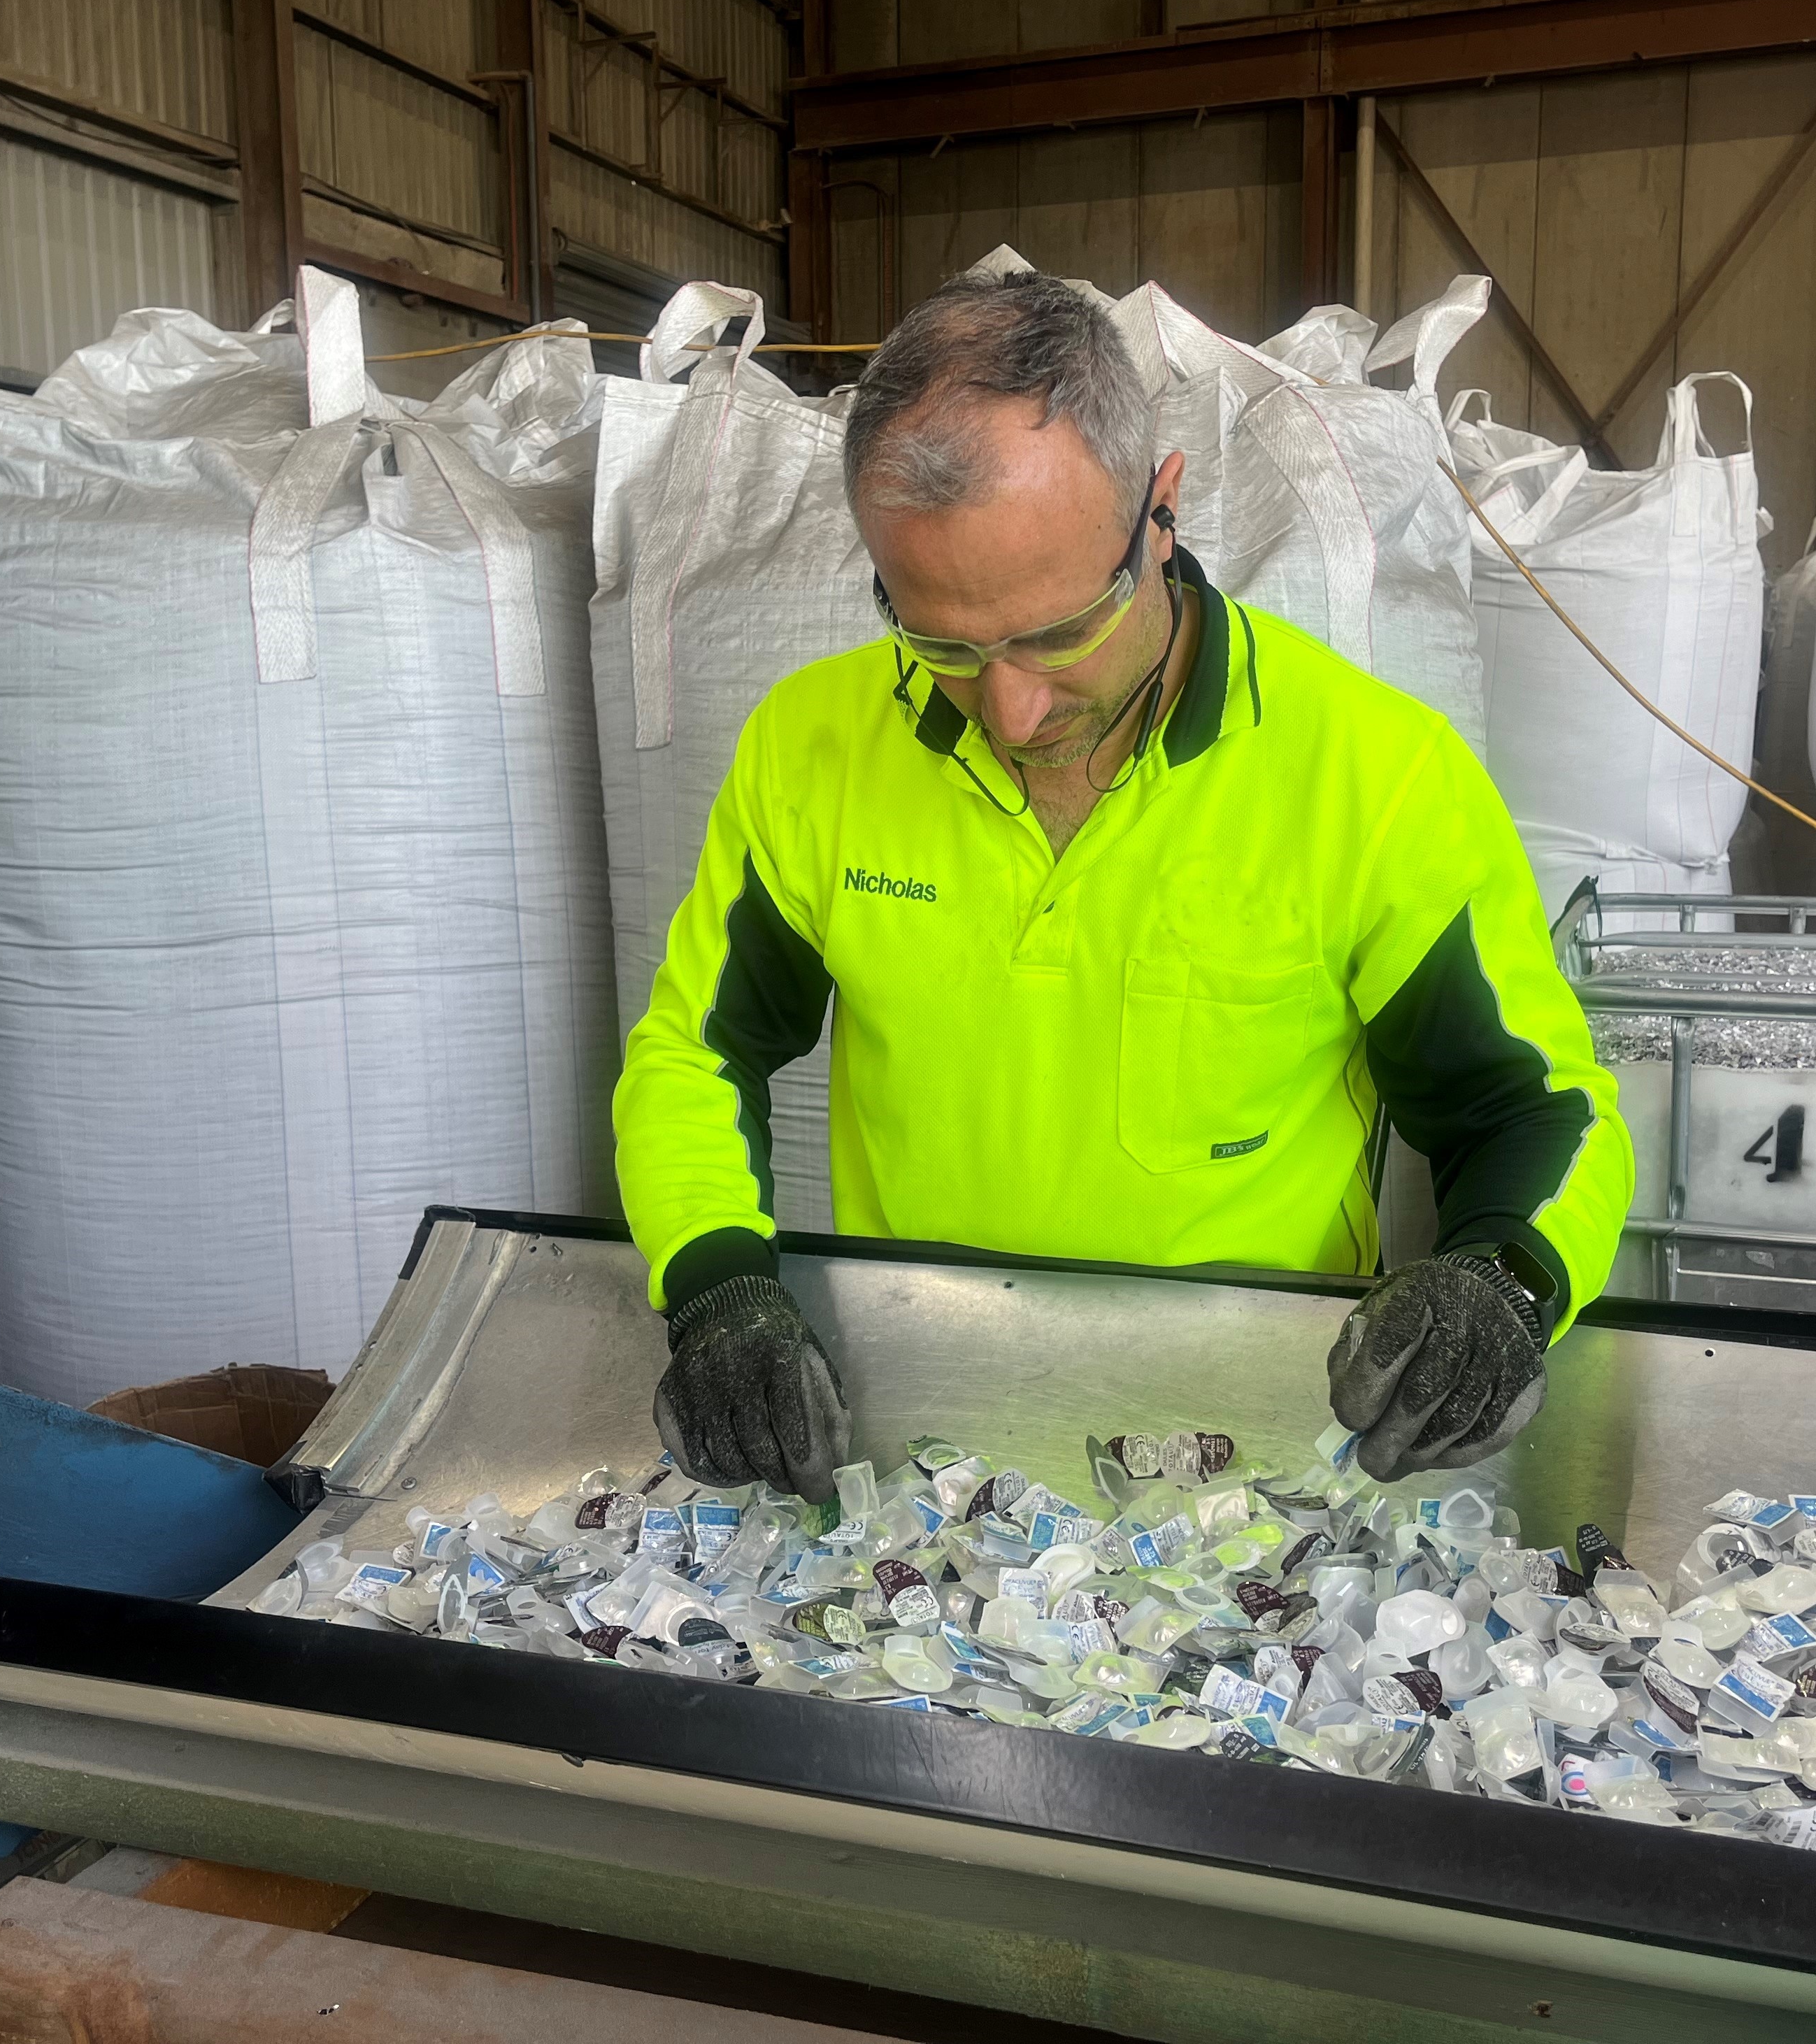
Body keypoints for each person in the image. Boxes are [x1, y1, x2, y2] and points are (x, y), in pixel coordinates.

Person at [613, 269, 1631, 1501]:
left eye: (1057, 632)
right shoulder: (812, 749)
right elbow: (695, 1052)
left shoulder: (1371, 779)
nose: (1012, 705)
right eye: (940, 643)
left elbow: (1533, 1111)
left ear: (1161, 512)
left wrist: (1503, 1282)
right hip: (926, 1436)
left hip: (1254, 1453)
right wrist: (717, 1284)